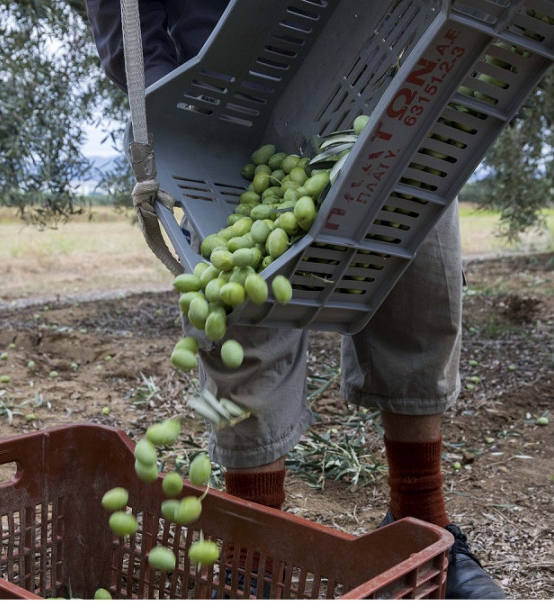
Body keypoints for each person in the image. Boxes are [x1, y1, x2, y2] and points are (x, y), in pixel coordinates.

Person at [84, 0, 506, 600]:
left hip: (379, 81)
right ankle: (252, 558)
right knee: (242, 330)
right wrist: (162, 98)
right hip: (230, 104)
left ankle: (424, 524)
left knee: (422, 298)